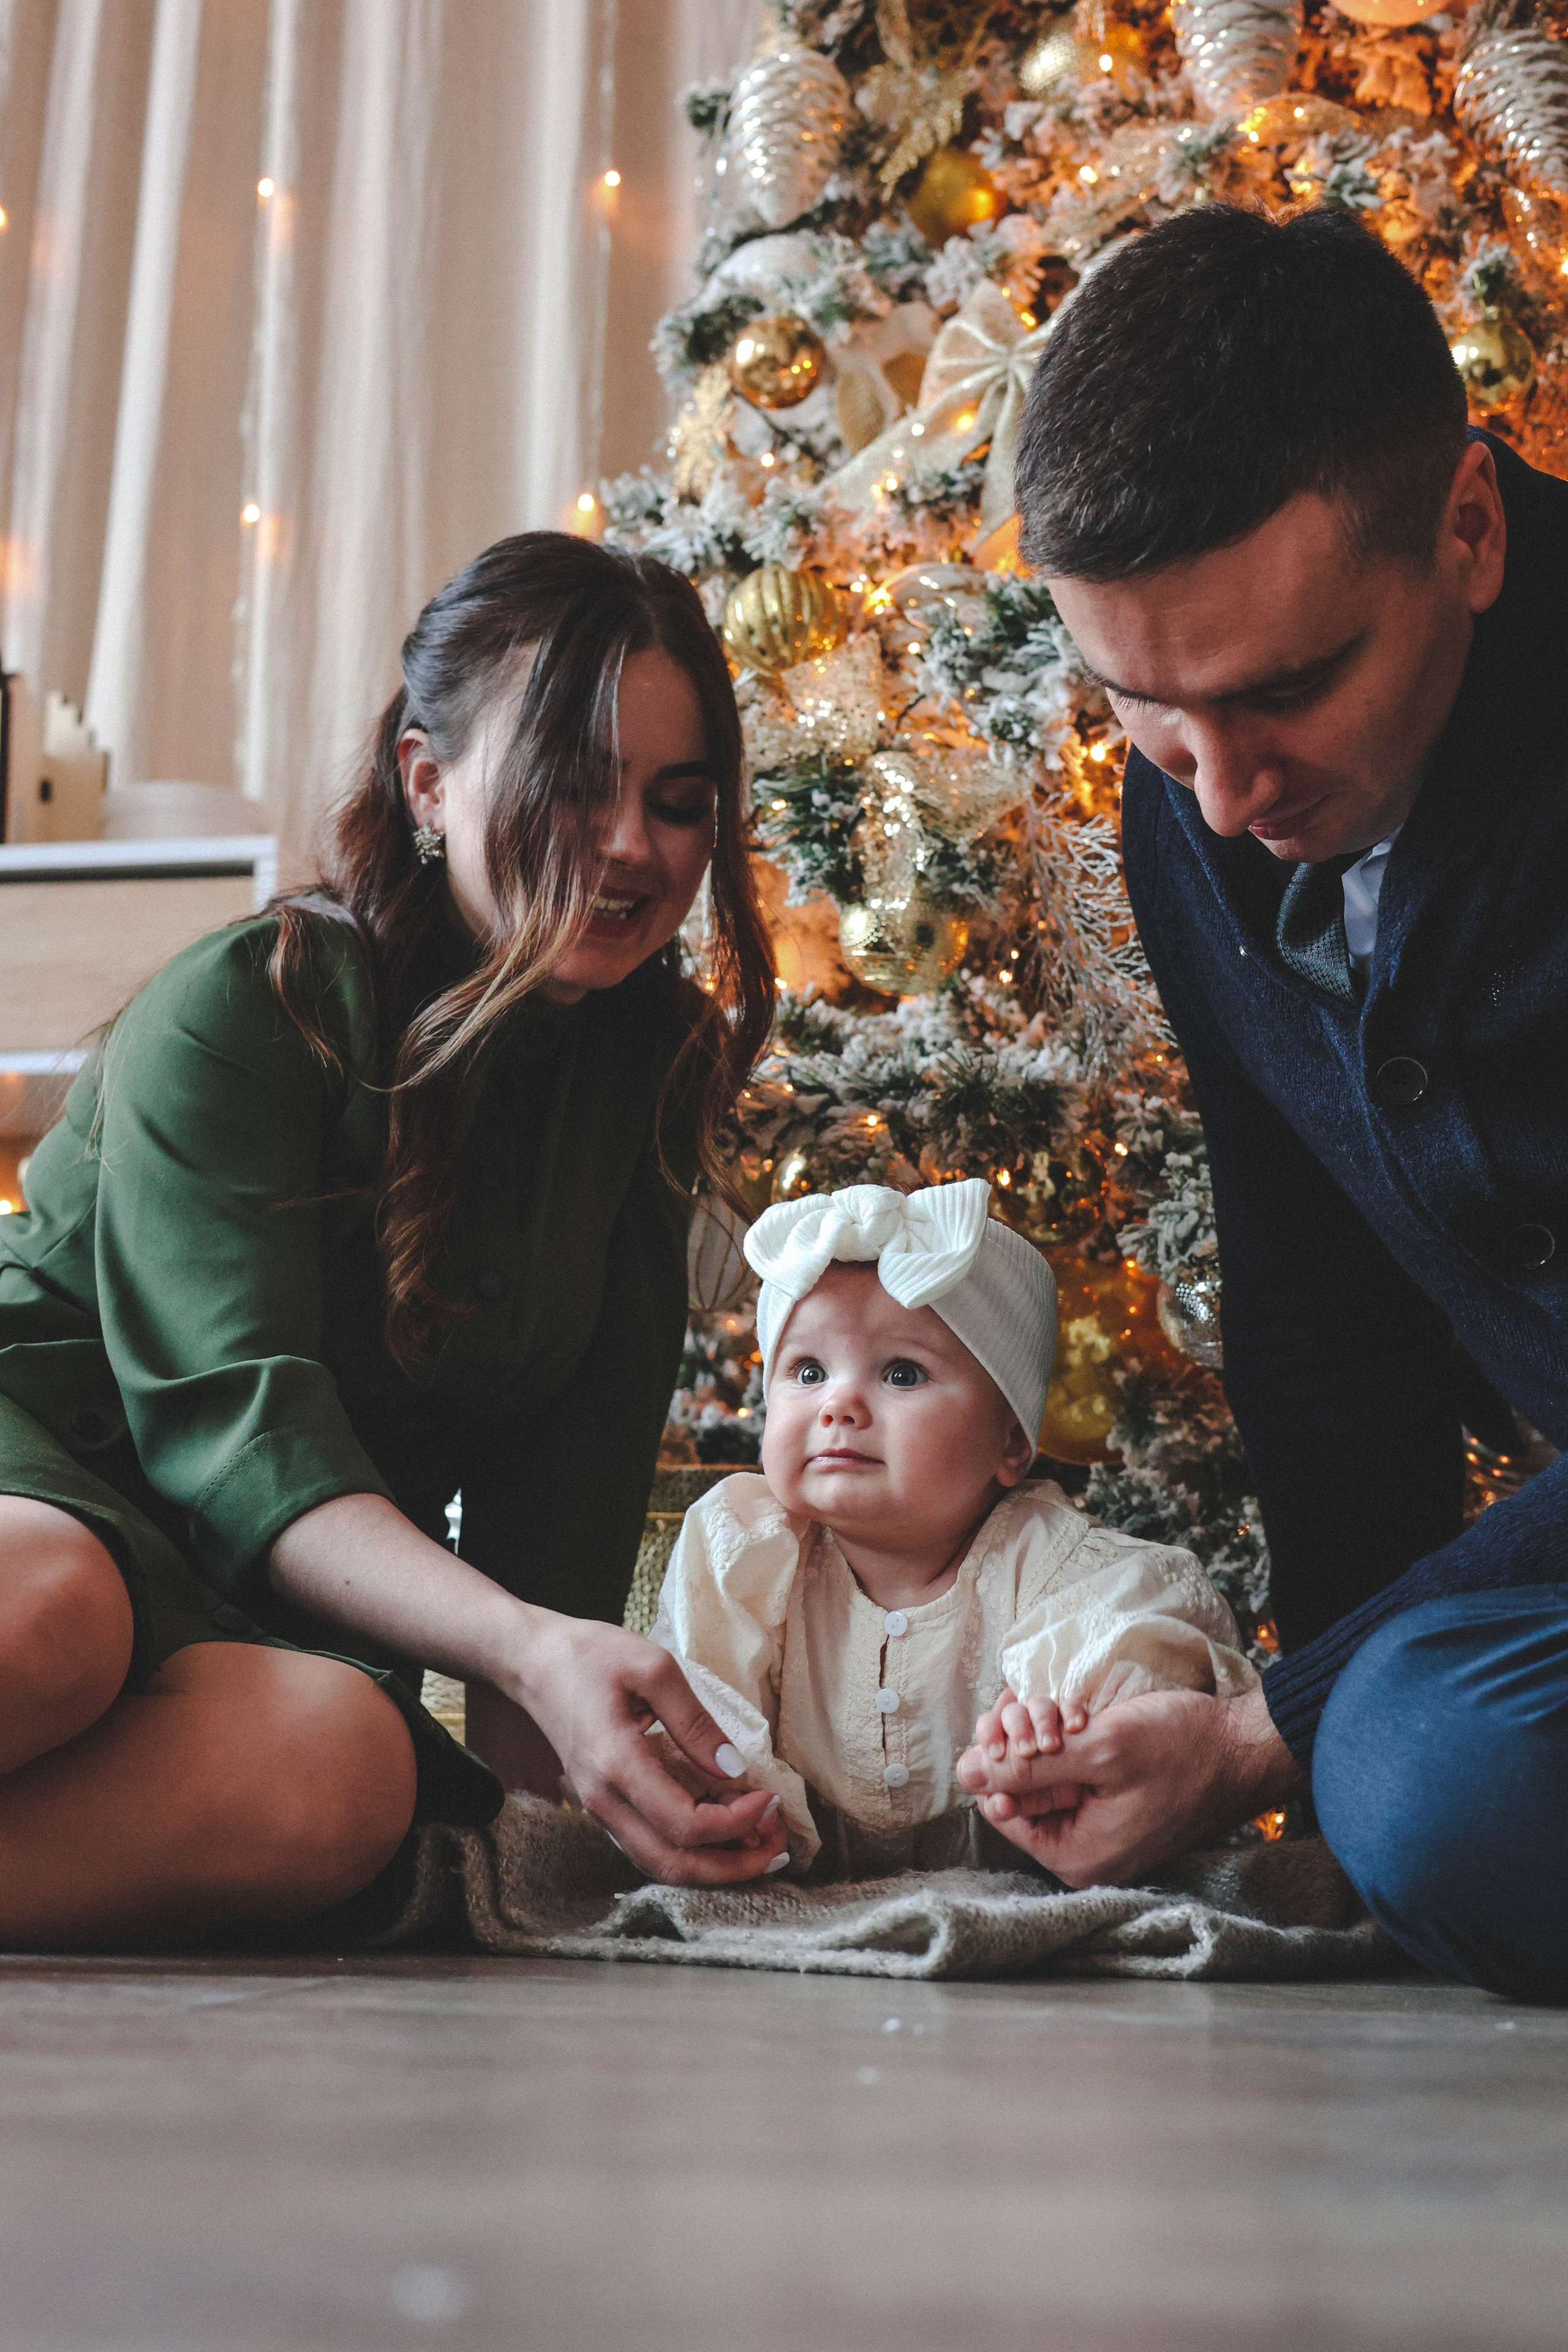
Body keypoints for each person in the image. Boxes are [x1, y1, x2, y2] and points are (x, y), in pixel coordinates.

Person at [0, 533, 794, 1950]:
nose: (632, 848)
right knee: (56, 1612)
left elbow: (563, 1530)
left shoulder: (648, 1067)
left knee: (348, 1769)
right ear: (429, 783)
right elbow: (241, 1447)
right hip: (39, 1485)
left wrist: (628, 1796)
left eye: (678, 803)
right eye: (571, 782)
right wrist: (521, 1644)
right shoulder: (248, 1005)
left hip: (230, 1616)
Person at [957, 204, 1568, 2002]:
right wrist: (1314, 1790)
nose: (1217, 798)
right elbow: (1320, 1333)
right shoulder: (1198, 812)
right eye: (1143, 707)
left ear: (1464, 527)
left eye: (1284, 689)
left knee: (1423, 1769)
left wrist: (1250, 1740)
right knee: (1427, 1767)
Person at [651, 1178, 1253, 1877]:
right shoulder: (748, 1551)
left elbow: (1139, 1638)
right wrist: (724, 1810)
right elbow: (702, 1704)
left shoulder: (1053, 1567)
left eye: (903, 1373)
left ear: (1009, 1444)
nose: (838, 1404)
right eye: (808, 1370)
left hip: (1036, 1874)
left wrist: (1055, 1732)